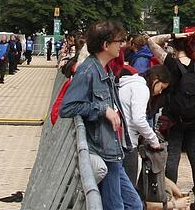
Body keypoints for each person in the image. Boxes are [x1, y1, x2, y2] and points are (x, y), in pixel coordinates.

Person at [59, 21, 141, 210]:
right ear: (105, 45)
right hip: (103, 150)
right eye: (119, 41)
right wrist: (102, 109)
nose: (122, 45)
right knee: (117, 207)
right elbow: (68, 108)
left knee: (134, 204)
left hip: (112, 151)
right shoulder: (88, 71)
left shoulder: (105, 69)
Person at [148, 28, 195, 210]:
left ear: (175, 47)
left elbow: (151, 41)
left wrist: (173, 36)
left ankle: (170, 195)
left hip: (175, 118)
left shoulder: (171, 63)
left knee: (173, 156)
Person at [118, 64, 160, 185]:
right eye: (161, 87)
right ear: (156, 80)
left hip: (120, 138)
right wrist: (153, 140)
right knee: (129, 185)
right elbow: (138, 119)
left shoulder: (128, 85)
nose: (160, 91)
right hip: (128, 141)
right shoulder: (141, 88)